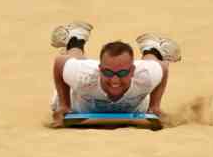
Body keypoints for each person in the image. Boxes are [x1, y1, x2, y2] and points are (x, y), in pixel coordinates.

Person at [49, 21, 182, 128]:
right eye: (107, 72)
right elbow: (60, 62)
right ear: (99, 69)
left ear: (132, 71)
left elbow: (163, 67)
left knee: (150, 66)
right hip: (78, 98)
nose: (114, 80)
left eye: (122, 73)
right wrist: (64, 105)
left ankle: (152, 48)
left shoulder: (145, 75)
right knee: (76, 59)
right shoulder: (83, 75)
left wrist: (155, 106)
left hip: (136, 98)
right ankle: (76, 37)